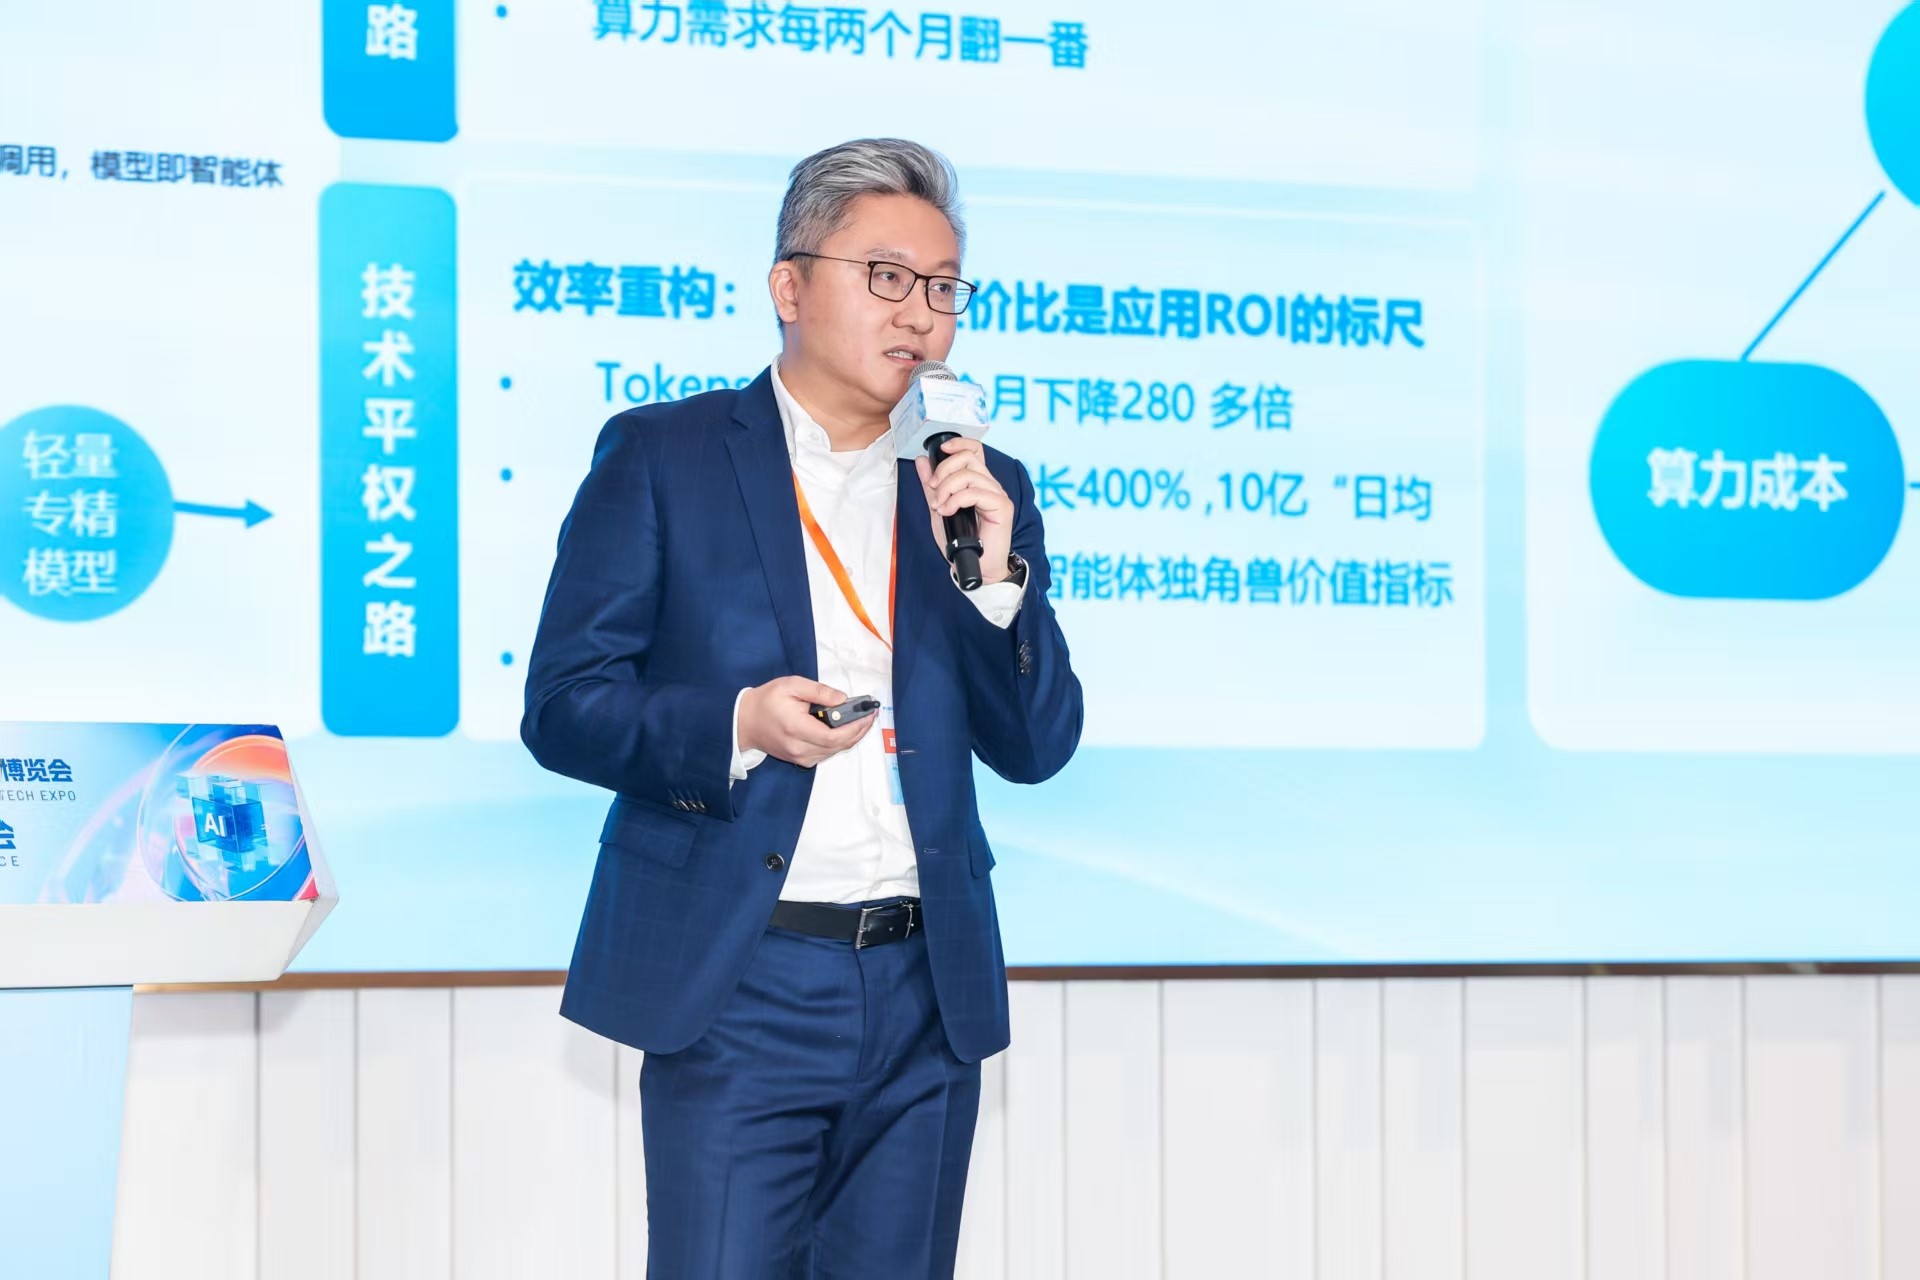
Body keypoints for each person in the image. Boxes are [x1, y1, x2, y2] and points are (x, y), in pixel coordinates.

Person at [520, 137, 1083, 1277]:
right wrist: (735, 726)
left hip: (927, 984)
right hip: (744, 977)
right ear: (790, 285)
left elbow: (1035, 745)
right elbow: (566, 703)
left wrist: (996, 587)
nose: (920, 314)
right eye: (887, 277)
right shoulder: (665, 456)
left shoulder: (979, 487)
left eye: (943, 288)